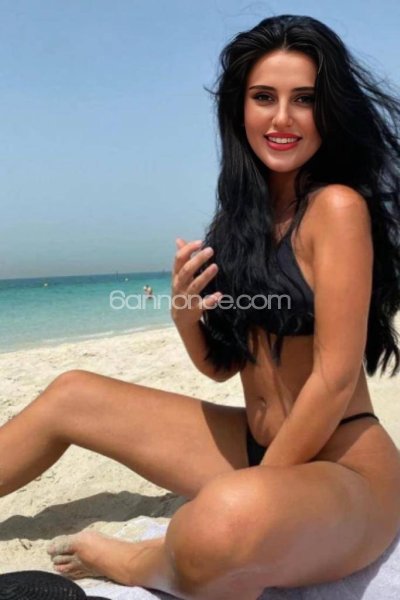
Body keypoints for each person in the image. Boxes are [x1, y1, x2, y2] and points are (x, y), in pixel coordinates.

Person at [2, 14, 400, 600]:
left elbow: (336, 379)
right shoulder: (243, 221)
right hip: (254, 447)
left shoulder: (336, 208)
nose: (282, 118)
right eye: (264, 97)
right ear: (240, 109)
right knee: (71, 394)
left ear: (329, 110)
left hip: (343, 467)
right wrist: (186, 317)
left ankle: (133, 560)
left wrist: (262, 488)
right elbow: (223, 368)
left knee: (219, 522)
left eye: (304, 99)